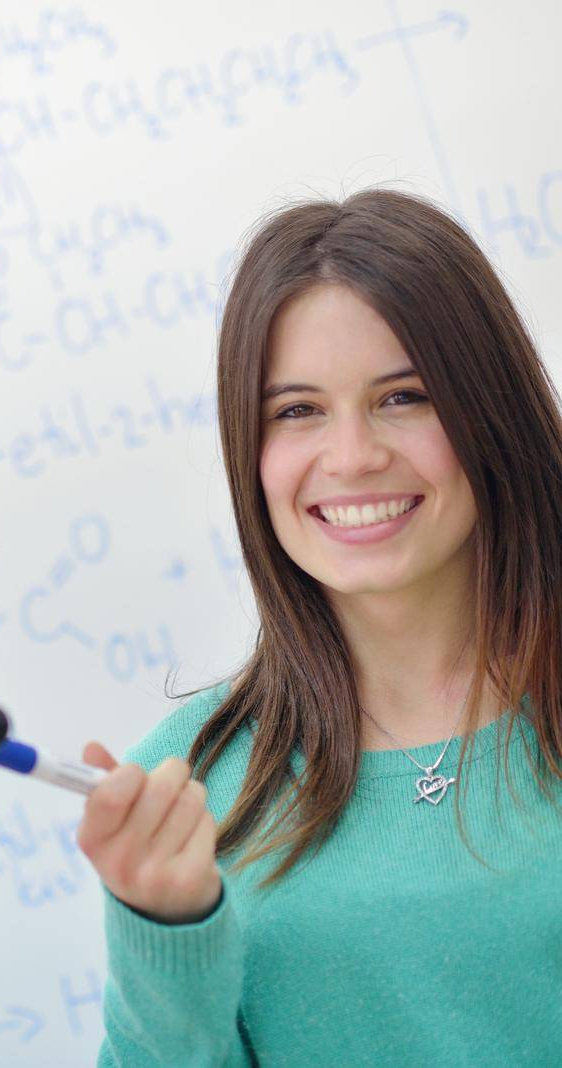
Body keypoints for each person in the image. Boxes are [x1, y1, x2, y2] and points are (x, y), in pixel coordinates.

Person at [75, 189, 562, 1064]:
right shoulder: (180, 791)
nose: (351, 457)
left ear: (490, 410)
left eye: (405, 396)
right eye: (297, 411)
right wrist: (167, 929)